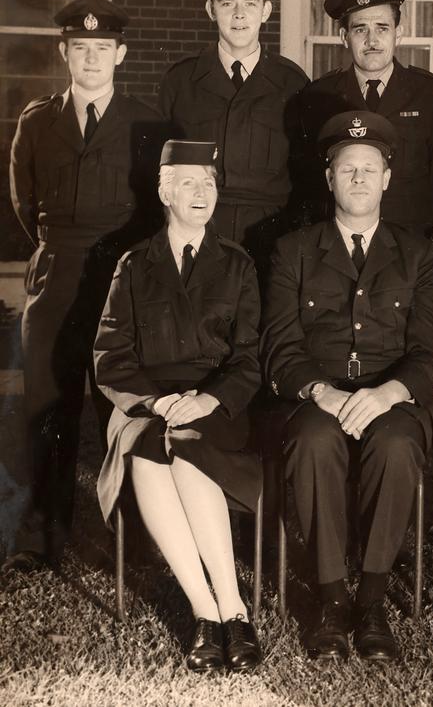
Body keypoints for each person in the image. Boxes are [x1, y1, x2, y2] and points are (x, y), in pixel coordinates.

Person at [261, 111, 433, 662]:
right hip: (317, 396)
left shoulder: (417, 253)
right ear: (329, 179)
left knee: (394, 443)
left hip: (394, 398)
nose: (360, 180)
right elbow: (279, 346)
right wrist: (323, 392)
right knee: (316, 440)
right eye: (348, 170)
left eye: (370, 169)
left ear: (388, 178)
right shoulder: (293, 250)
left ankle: (371, 599)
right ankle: (331, 599)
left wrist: (388, 394)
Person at [5, 0, 165, 573]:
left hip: (119, 276)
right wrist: (59, 248)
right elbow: (24, 202)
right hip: (57, 275)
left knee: (120, 404)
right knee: (48, 402)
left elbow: (154, 208)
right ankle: (44, 531)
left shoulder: (147, 123)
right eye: (81, 49)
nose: (92, 59)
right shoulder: (37, 120)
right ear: (64, 53)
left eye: (103, 49)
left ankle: (135, 531)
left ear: (120, 54)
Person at [94, 139, 263, 673]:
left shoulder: (236, 265)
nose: (201, 192)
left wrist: (209, 398)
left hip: (216, 405)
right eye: (188, 182)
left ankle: (233, 608)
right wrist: (156, 400)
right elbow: (110, 354)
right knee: (148, 446)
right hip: (146, 402)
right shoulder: (133, 264)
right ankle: (208, 612)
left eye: (209, 182)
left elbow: (251, 357)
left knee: (188, 444)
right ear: (163, 191)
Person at [158, 0, 309, 272]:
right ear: (211, 11)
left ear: (266, 11)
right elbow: (159, 171)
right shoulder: (180, 82)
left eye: (250, 4)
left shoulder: (293, 83)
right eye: (227, 5)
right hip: (199, 233)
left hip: (273, 237)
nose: (239, 15)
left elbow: (307, 179)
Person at [299, 0, 433, 237]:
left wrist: (420, 234)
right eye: (361, 30)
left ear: (399, 34)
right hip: (340, 238)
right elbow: (310, 177)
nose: (372, 41)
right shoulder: (319, 96)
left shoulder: (428, 93)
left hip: (408, 237)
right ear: (345, 37)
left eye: (382, 28)